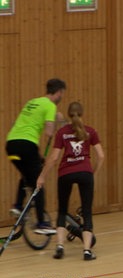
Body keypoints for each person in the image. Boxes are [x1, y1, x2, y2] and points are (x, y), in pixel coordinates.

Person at [37, 101, 104, 261]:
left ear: (68, 114)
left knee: (62, 210)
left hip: (65, 173)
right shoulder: (90, 131)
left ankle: (59, 247)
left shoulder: (62, 132)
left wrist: (42, 176)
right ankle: (87, 251)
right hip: (85, 173)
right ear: (82, 114)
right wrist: (93, 173)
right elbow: (101, 156)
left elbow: (53, 158)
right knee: (87, 212)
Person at [5, 78, 66, 235]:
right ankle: (42, 223)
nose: (62, 97)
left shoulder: (32, 102)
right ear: (58, 92)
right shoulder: (50, 106)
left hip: (12, 143)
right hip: (27, 144)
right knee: (39, 183)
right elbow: (48, 132)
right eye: (62, 94)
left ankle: (18, 206)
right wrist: (55, 126)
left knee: (26, 175)